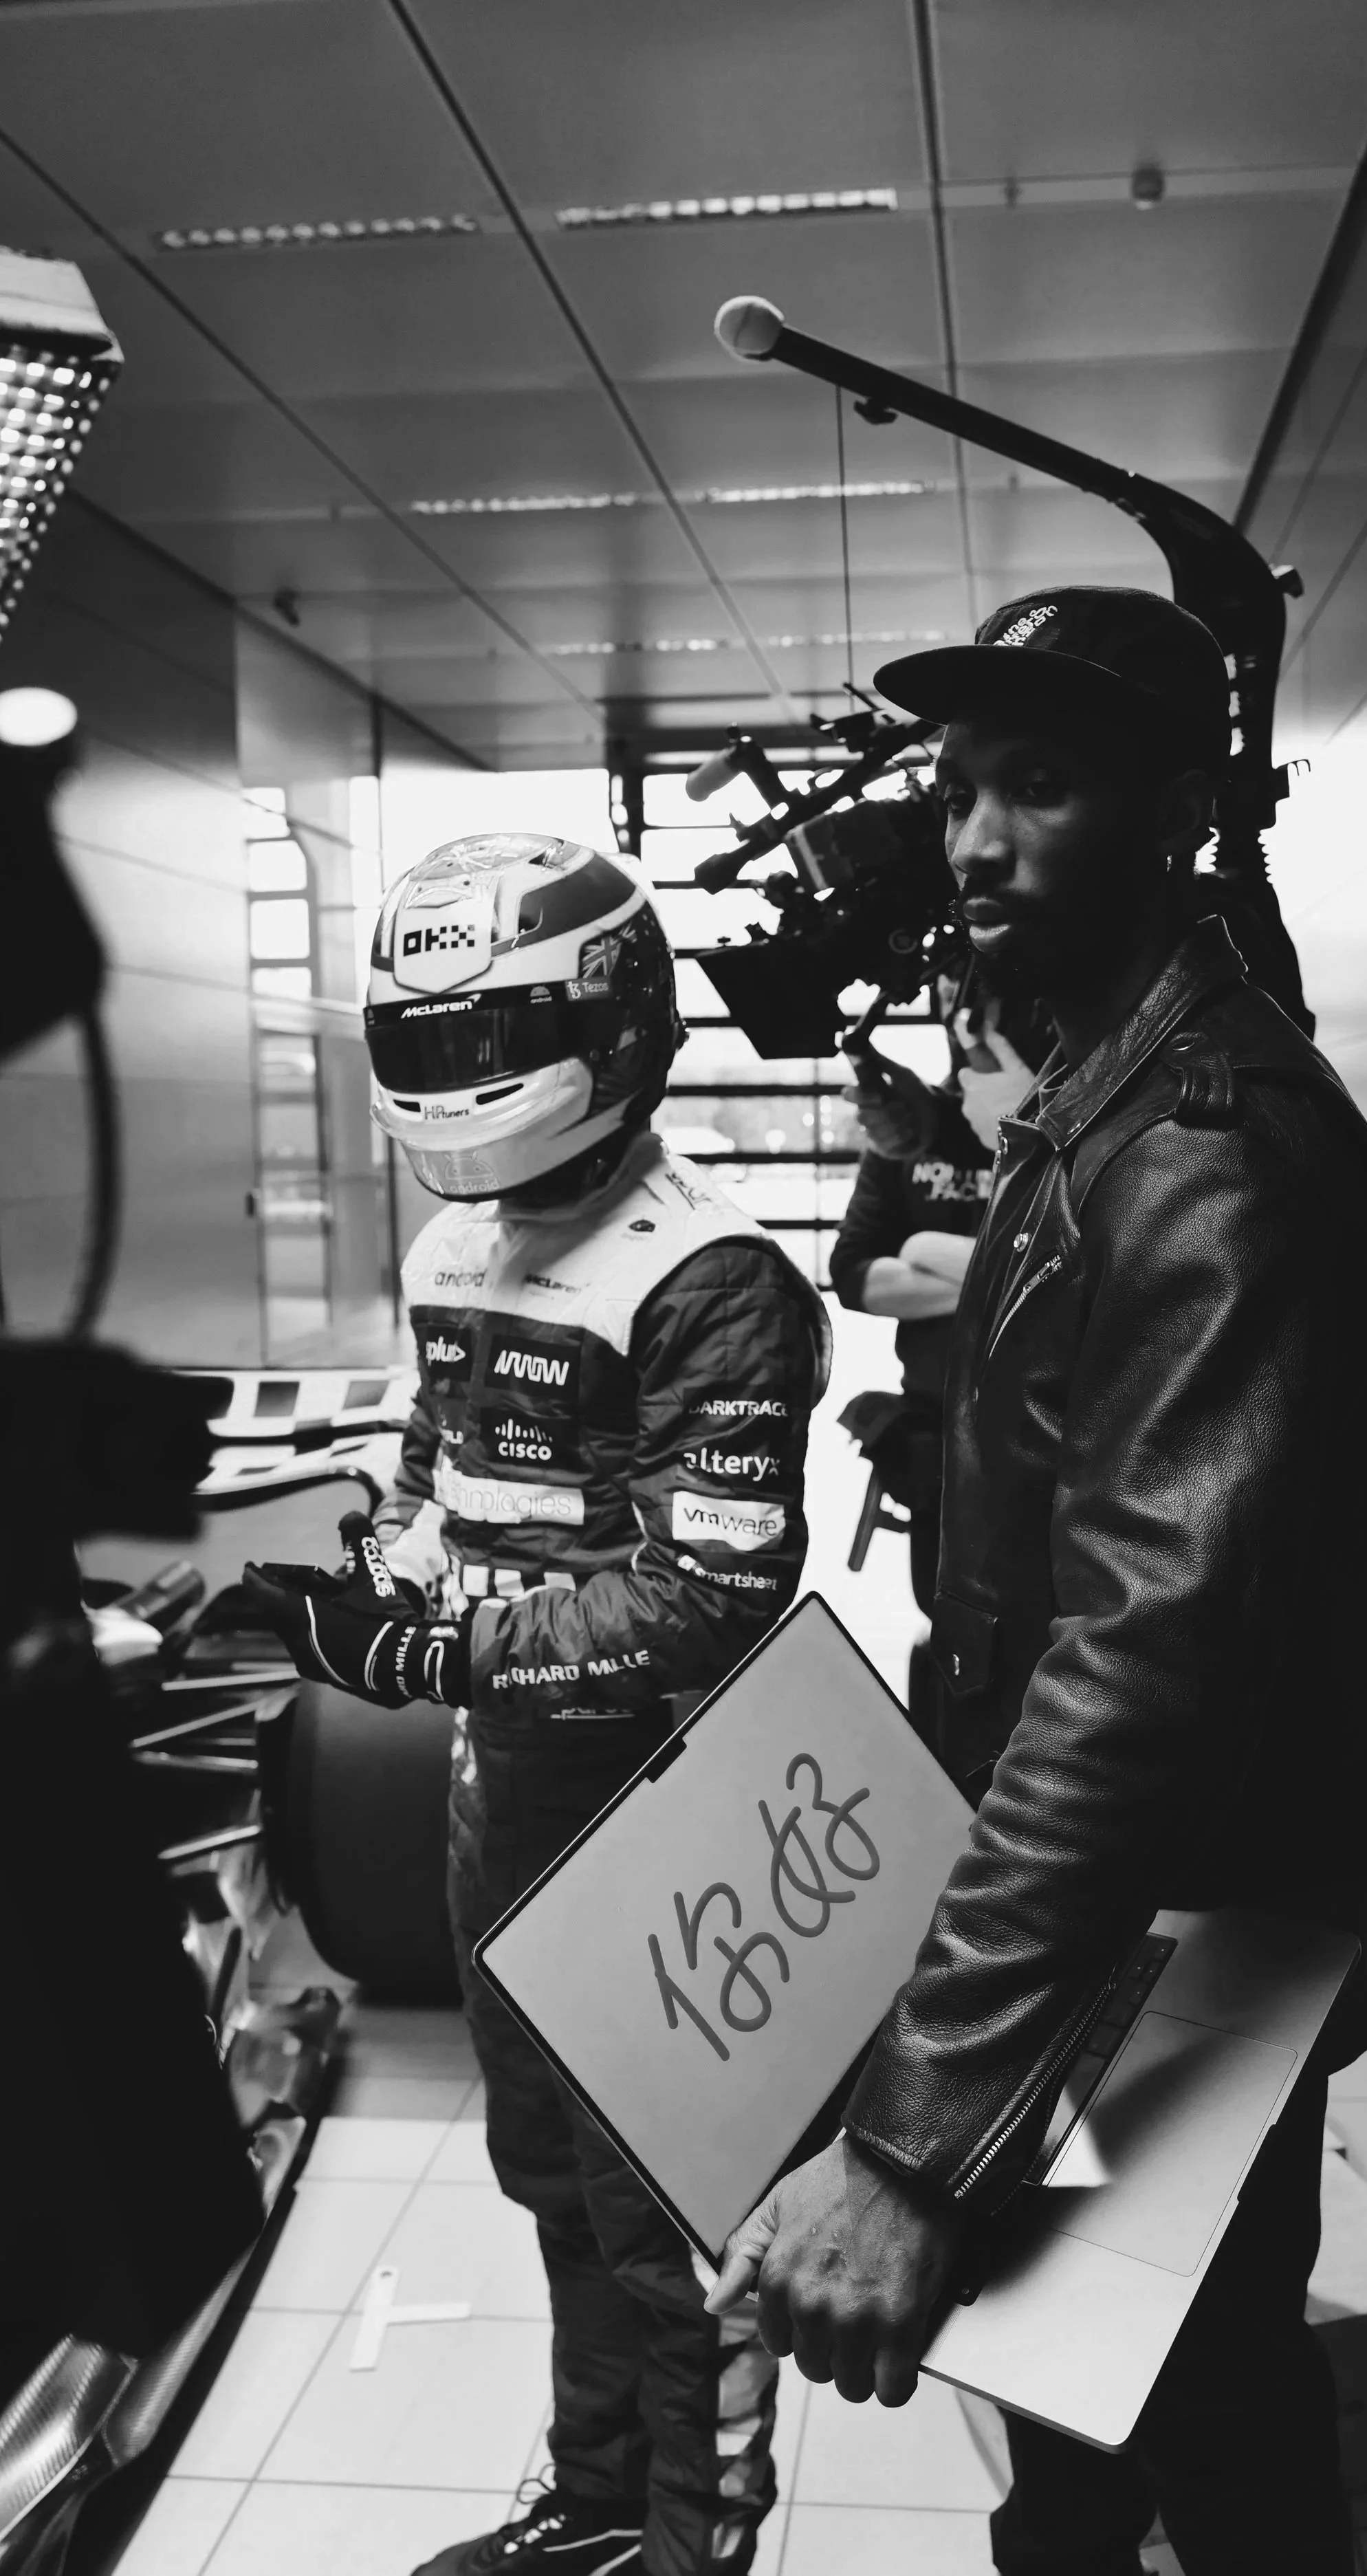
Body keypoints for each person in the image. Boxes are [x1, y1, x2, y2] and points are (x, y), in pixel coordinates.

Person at [707, 589, 1367, 2576]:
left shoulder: (1207, 1145)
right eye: (956, 792)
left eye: (1035, 786)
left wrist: (913, 2137)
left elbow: (1143, 1659)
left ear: (1175, 808)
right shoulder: (1099, 1089)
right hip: (1120, 1900)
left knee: (1203, 2402)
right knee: (1093, 2403)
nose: (969, 842)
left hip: (1190, 1917)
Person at [244, 832, 829, 2576]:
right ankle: (592, 2510)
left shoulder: (713, 1275)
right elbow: (436, 1480)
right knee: (546, 2179)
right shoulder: (453, 1256)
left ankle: (692, 2541)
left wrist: (431, 1659)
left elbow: (713, 1596)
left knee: (669, 2215)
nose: (450, 1081)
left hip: (670, 1808)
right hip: (505, 1798)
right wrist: (387, 1574)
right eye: (414, 1043)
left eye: (480, 1032)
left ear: (612, 1020)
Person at [828, 996, 1039, 1614]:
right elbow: (855, 1277)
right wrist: (1014, 1278)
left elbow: (1109, 1260)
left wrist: (924, 1253)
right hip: (938, 1430)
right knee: (944, 1610)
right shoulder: (915, 1129)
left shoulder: (1066, 1132)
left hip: (1051, 1432)